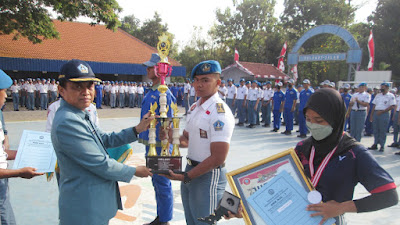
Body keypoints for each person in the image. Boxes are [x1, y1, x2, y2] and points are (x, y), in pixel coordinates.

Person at [51, 59, 152, 225]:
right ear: (61, 90)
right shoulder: (68, 121)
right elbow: (100, 164)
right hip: (84, 206)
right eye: (77, 86)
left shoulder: (79, 114)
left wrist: (138, 129)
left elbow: (105, 139)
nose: (85, 92)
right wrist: (134, 171)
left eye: (89, 86)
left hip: (93, 202)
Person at [296, 88, 398, 224]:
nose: (312, 125)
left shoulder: (354, 153)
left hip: (331, 221)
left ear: (335, 119)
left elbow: (388, 196)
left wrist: (341, 208)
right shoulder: (302, 148)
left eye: (319, 121)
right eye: (308, 119)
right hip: (296, 218)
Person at [163, 60, 235, 225]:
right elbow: (186, 140)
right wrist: (170, 136)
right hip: (191, 170)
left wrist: (187, 176)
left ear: (218, 83)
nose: (199, 84)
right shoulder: (195, 107)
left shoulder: (220, 113)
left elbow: (218, 158)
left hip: (207, 176)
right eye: (196, 80)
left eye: (205, 80)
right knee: (192, 222)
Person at [0, 69, 44, 225]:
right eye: (3, 91)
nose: (6, 95)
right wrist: (19, 172)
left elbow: (1, 153)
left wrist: (22, 154)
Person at [139, 53, 176, 225]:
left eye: (150, 67)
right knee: (157, 182)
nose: (147, 70)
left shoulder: (164, 93)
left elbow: (168, 119)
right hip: (151, 144)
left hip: (160, 145)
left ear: (159, 70)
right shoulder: (152, 90)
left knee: (162, 183)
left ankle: (165, 220)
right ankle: (161, 216)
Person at [368, 83, 396, 152]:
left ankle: (382, 145)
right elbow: (374, 105)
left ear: (387, 88)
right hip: (376, 113)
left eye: (383, 87)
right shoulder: (378, 95)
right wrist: (371, 115)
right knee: (375, 129)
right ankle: (375, 143)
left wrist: (382, 111)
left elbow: (392, 106)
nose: (381, 88)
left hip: (384, 114)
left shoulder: (390, 96)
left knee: (382, 130)